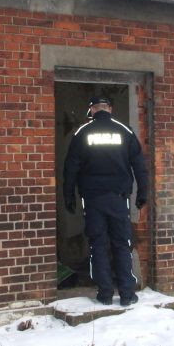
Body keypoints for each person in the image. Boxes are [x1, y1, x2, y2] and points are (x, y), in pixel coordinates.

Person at [62, 96, 149, 307]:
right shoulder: (124, 131)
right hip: (118, 198)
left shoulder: (82, 133)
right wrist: (142, 193)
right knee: (122, 244)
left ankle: (105, 293)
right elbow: (139, 165)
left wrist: (69, 195)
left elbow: (71, 168)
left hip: (92, 199)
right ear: (109, 109)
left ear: (92, 110)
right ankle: (127, 293)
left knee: (98, 245)